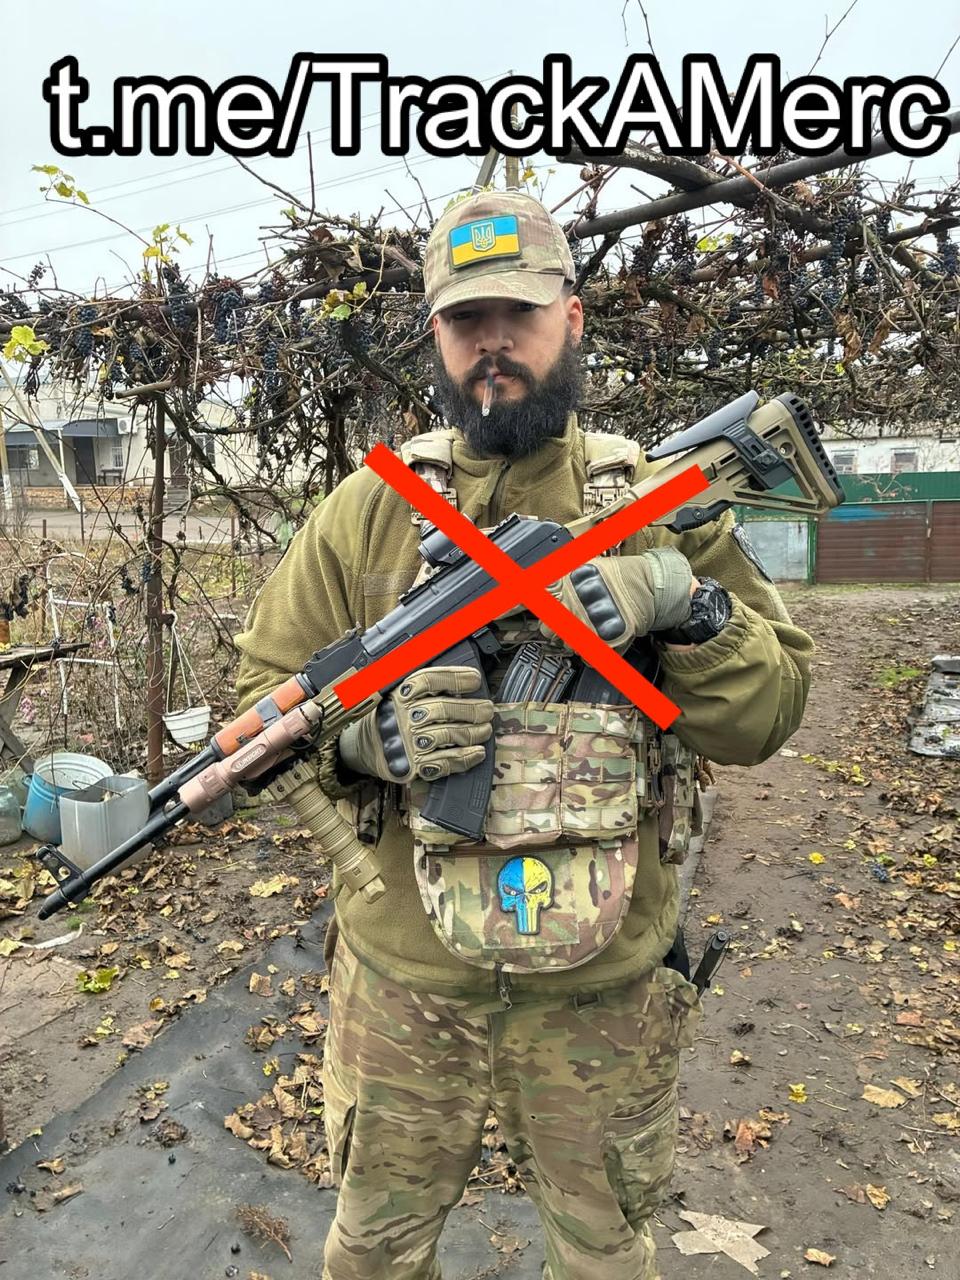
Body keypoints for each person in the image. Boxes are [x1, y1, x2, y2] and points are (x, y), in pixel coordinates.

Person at [234, 190, 815, 1280]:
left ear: (572, 318)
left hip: (604, 993)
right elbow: (269, 694)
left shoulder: (661, 497)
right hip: (406, 988)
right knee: (373, 1255)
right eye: (467, 319)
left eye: (519, 313)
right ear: (437, 336)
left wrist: (681, 601)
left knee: (604, 1255)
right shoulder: (368, 508)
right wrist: (366, 740)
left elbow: (769, 714)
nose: (492, 343)